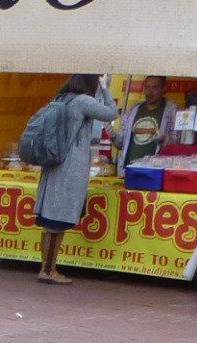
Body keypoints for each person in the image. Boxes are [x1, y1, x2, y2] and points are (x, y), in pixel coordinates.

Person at [34, 75, 116, 285]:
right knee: (57, 219)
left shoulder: (61, 98)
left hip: (54, 163)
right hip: (70, 167)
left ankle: (48, 266)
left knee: (52, 216)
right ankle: (48, 269)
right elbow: (111, 113)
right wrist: (105, 88)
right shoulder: (82, 101)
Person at [117, 76, 175, 169]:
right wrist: (112, 137)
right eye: (147, 87)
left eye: (154, 88)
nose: (149, 92)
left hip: (156, 171)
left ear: (164, 89)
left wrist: (164, 139)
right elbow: (120, 144)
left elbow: (178, 145)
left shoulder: (172, 111)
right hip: (130, 169)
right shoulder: (133, 110)